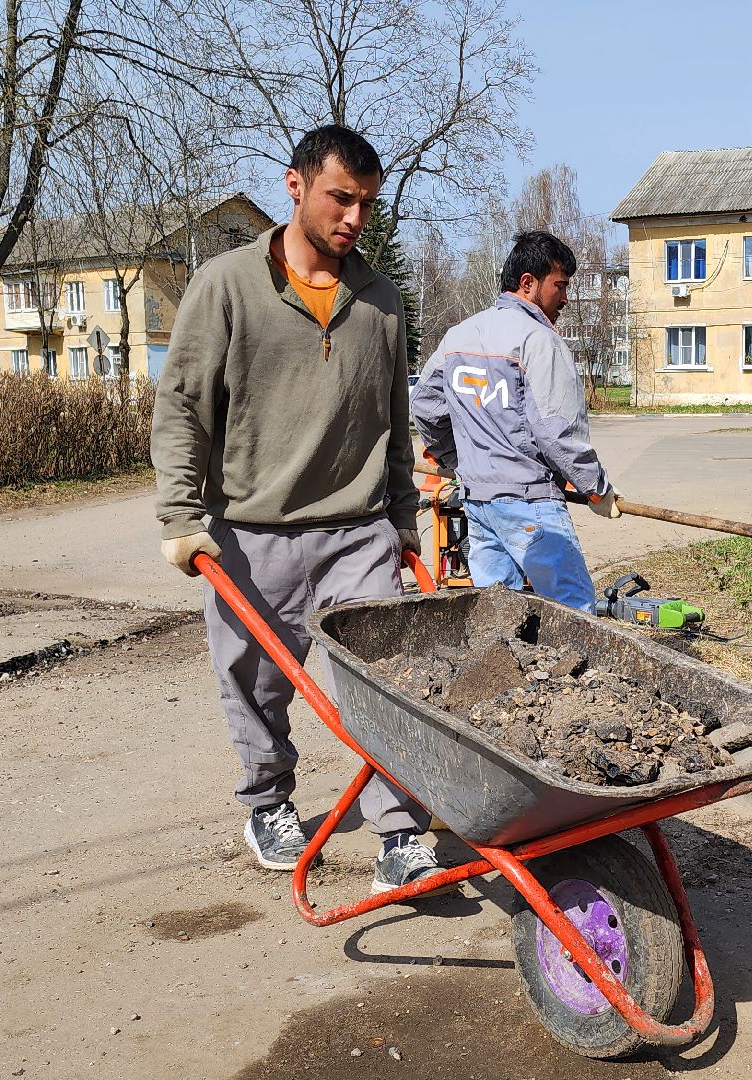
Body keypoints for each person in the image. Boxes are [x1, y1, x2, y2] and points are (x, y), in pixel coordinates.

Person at [152, 124, 445, 896]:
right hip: (253, 533)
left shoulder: (379, 300)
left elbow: (392, 416)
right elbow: (182, 407)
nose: (353, 218)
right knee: (253, 682)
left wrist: (405, 517)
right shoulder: (226, 286)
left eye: (366, 205)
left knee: (389, 683)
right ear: (296, 186)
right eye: (339, 198)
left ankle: (401, 832)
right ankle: (269, 801)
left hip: (358, 531)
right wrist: (181, 519)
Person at [411, 230, 620, 613]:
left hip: (478, 503)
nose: (566, 299)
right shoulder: (538, 341)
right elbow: (558, 434)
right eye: (560, 286)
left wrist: (458, 462)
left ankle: (506, 673)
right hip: (531, 504)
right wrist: (597, 488)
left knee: (499, 614)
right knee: (575, 611)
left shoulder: (459, 336)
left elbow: (425, 407)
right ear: (529, 283)